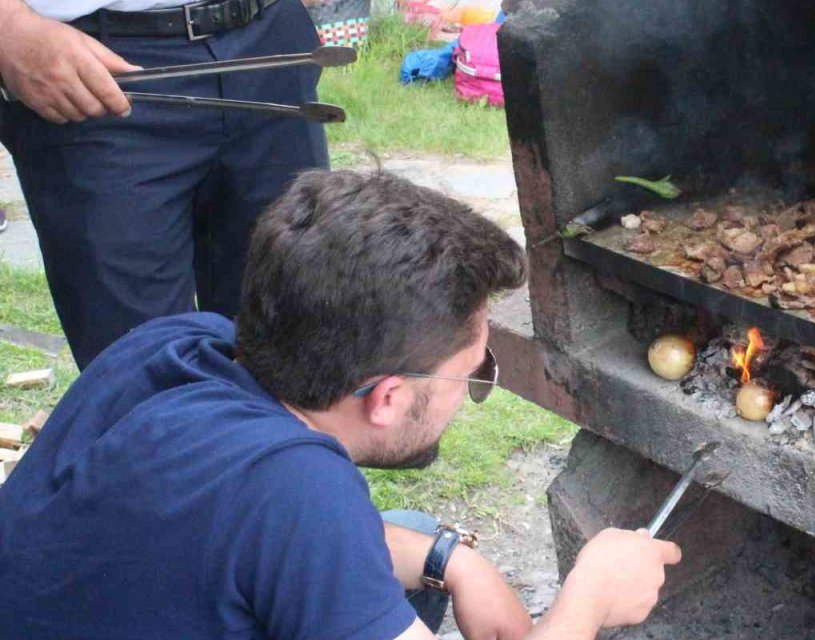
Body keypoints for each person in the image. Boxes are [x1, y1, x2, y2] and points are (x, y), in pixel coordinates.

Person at [0, 170, 682, 639]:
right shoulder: (294, 491)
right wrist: (588, 598)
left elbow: (264, 538)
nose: (469, 395)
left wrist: (454, 557)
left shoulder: (182, 345)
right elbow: (294, 523)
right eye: (471, 376)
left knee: (409, 530)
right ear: (388, 398)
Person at [0, 0, 329, 369]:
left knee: (301, 356)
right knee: (147, 381)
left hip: (268, 42)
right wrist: (7, 26)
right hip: (94, 67)